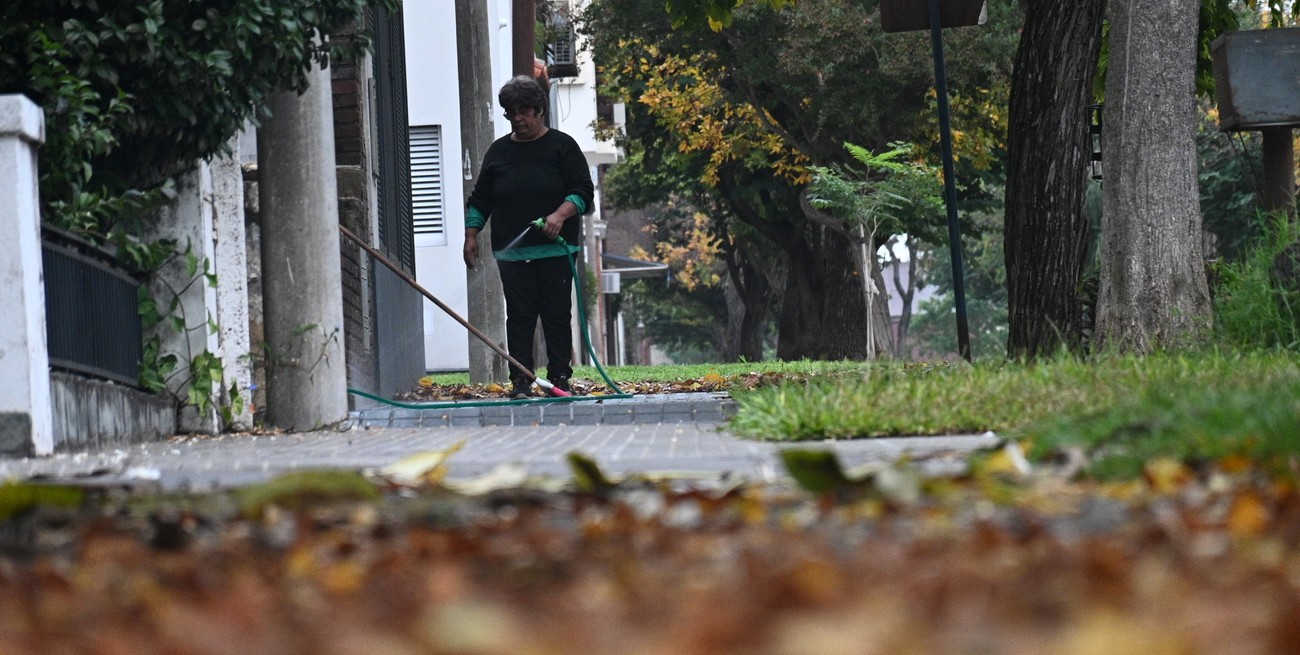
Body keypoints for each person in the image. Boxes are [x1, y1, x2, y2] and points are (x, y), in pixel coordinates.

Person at [463, 75, 594, 398]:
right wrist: (471, 235)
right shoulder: (499, 152)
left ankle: (560, 379)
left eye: (524, 111)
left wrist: (559, 216)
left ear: (539, 111)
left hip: (556, 252)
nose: (517, 119)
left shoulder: (563, 147)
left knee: (556, 314)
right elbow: (481, 199)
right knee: (520, 316)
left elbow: (582, 192)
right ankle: (521, 380)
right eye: (511, 113)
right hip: (512, 253)